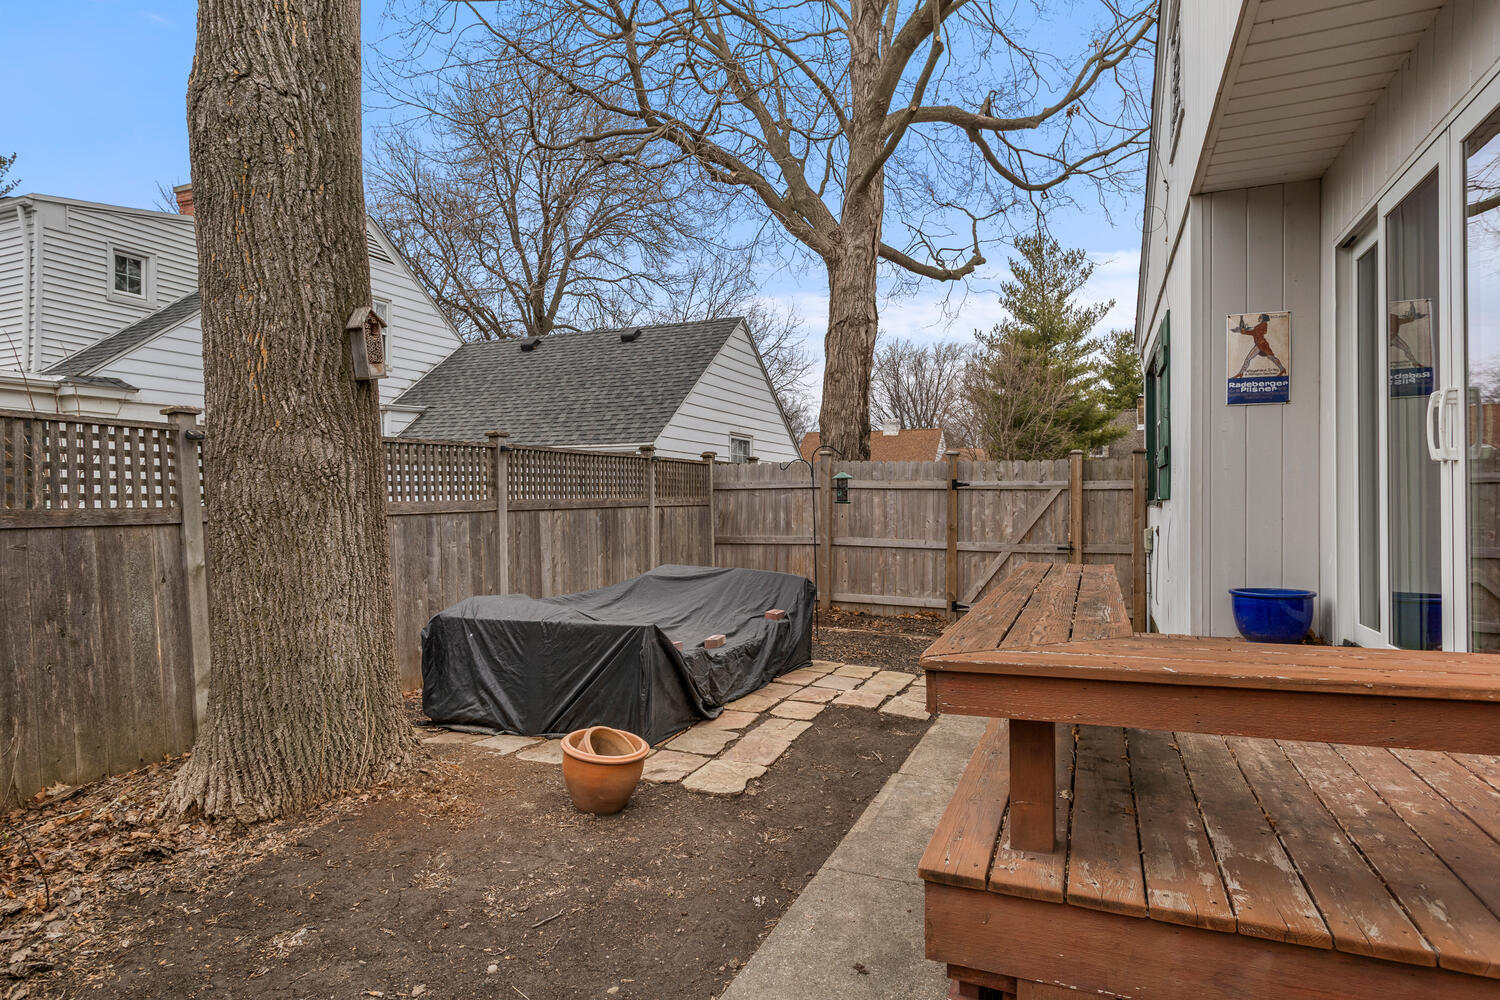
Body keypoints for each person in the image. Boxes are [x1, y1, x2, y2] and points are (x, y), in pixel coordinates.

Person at [1233, 313, 1287, 378]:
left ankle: (1240, 373)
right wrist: (1243, 331)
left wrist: (1245, 330)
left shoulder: (1263, 325)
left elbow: (1260, 332)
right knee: (1271, 357)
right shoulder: (1259, 326)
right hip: (1260, 344)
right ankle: (1282, 369)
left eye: (1260, 317)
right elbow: (1253, 332)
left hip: (1261, 344)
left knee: (1251, 358)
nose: (1259, 318)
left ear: (1263, 319)